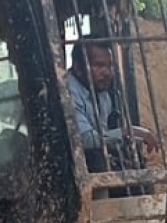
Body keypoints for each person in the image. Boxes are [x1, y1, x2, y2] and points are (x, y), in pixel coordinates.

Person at [66, 36, 157, 171]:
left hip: (87, 159)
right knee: (98, 162)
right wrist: (129, 132)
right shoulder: (67, 90)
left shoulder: (102, 94)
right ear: (78, 67)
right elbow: (85, 139)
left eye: (110, 66)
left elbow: (102, 136)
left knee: (133, 161)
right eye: (99, 65)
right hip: (65, 163)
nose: (107, 72)